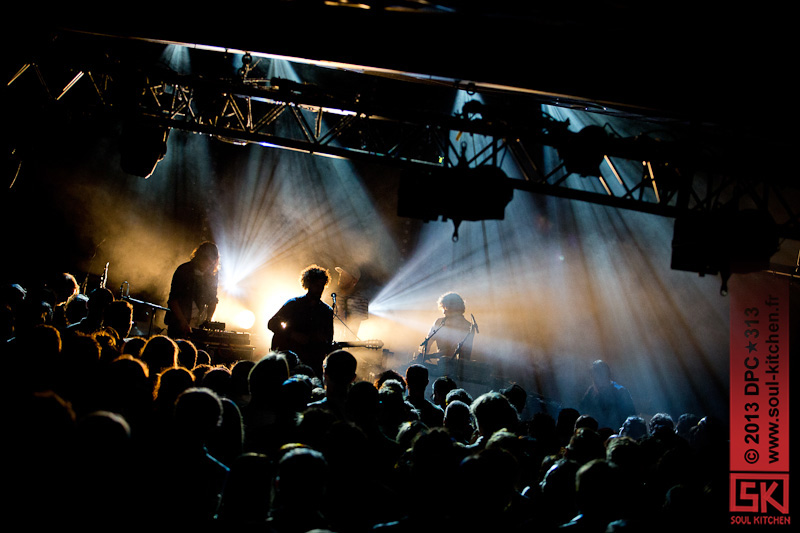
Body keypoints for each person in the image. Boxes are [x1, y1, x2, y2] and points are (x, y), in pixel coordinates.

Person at [268, 265, 334, 378]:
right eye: (316, 285)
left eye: (322, 286)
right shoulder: (293, 304)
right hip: (290, 362)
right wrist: (292, 334)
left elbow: (328, 338)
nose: (320, 289)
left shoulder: (326, 311)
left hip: (312, 362)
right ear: (308, 284)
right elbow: (272, 323)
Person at [166, 241, 220, 340]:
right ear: (200, 257)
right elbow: (173, 300)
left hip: (198, 326)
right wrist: (182, 321)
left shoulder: (212, 276)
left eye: (212, 262)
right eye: (207, 260)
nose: (209, 265)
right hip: (179, 325)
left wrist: (208, 320)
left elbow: (213, 299)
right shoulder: (184, 270)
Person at [578, 359, 636, 431]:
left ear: (607, 375)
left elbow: (631, 417)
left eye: (600, 374)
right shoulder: (591, 392)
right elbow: (582, 411)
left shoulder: (620, 392)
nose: (596, 379)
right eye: (594, 376)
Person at [419, 292, 475, 361]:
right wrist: (423, 352)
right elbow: (428, 342)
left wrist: (431, 356)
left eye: (447, 308)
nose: (444, 312)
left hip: (458, 368)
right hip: (441, 365)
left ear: (457, 308)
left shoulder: (468, 327)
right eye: (443, 308)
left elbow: (455, 350)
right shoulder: (439, 322)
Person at [332, 265, 369, 342]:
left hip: (350, 342)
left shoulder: (361, 300)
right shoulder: (332, 296)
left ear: (354, 281)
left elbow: (357, 324)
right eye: (340, 275)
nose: (341, 279)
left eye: (345, 277)